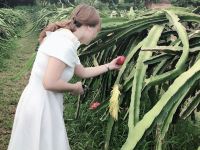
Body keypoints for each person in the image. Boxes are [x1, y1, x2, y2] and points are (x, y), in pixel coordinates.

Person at [8, 4, 121, 150]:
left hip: (39, 101)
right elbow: (49, 83)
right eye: (96, 31)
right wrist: (74, 88)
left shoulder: (66, 39)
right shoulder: (64, 44)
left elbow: (82, 72)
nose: (95, 35)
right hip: (42, 107)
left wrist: (109, 66)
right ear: (88, 27)